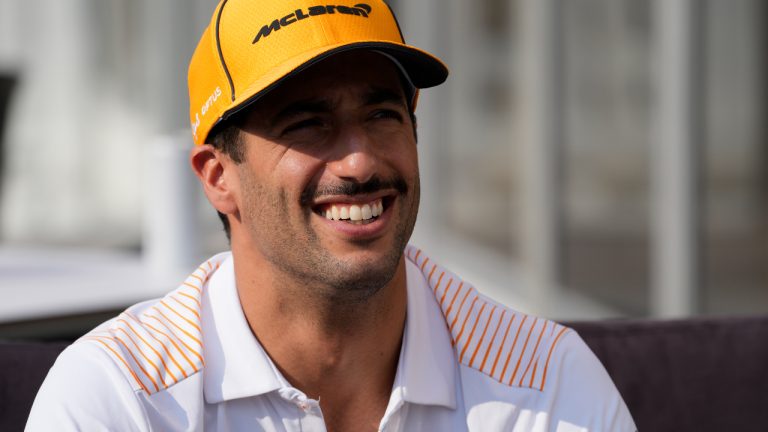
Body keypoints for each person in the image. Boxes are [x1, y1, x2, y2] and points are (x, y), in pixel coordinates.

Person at [27, 0, 636, 431]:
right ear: (219, 178)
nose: (359, 161)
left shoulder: (546, 384)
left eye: (382, 115)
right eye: (307, 123)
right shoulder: (120, 397)